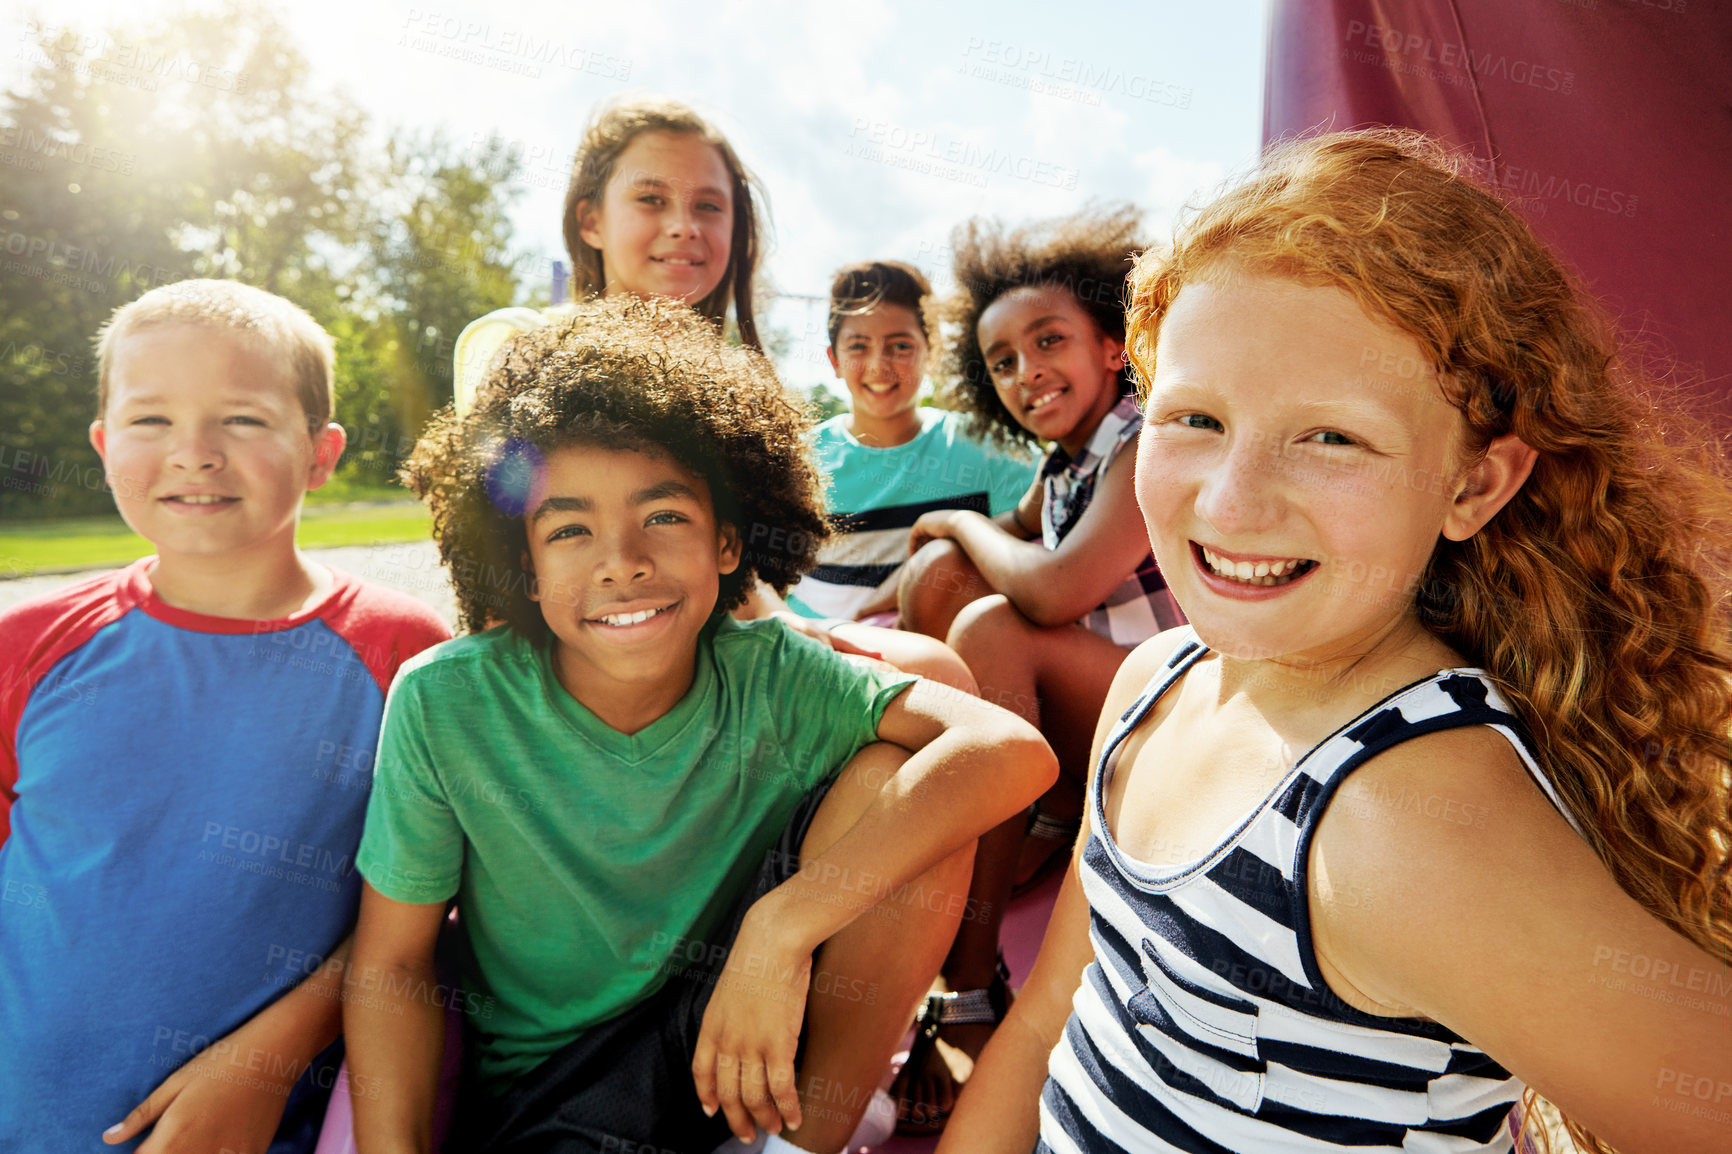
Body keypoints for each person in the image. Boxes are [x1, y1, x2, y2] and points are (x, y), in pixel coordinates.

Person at [940, 130, 1732, 1153]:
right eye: (1193, 418)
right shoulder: (1152, 683)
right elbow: (1054, 1009)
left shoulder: (1398, 823)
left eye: (1331, 436)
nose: (1232, 501)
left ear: (1473, 483)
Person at [343, 296, 1057, 1154]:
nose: (623, 561)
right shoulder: (444, 702)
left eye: (665, 515)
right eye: (569, 528)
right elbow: (392, 965)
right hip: (562, 1090)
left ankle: (806, 1145)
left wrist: (779, 930)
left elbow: (1007, 750)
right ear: (522, 567)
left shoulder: (767, 669)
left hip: (756, 1042)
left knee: (906, 784)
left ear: (727, 541)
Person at [0, 279, 450, 1153]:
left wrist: (265, 1061)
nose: (194, 453)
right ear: (101, 444)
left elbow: (422, 922)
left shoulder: (403, 653)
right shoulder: (29, 645)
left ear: (321, 453)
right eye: (150, 420)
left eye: (242, 419)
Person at [890, 209, 1184, 1133]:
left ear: (1112, 346)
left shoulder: (1145, 440)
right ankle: (992, 810)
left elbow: (1054, 590)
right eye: (1004, 361)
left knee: (993, 617)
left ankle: (971, 983)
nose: (1027, 373)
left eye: (1048, 341)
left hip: (1174, 709)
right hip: (1098, 703)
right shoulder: (1062, 467)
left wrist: (959, 521)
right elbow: (986, 554)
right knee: (943, 582)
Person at [767, 259, 1033, 659]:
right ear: (834, 360)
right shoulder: (795, 461)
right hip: (819, 663)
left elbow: (1031, 563)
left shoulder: (990, 448)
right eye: (858, 346)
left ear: (930, 352)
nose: (879, 365)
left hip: (951, 669)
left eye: (901, 346)